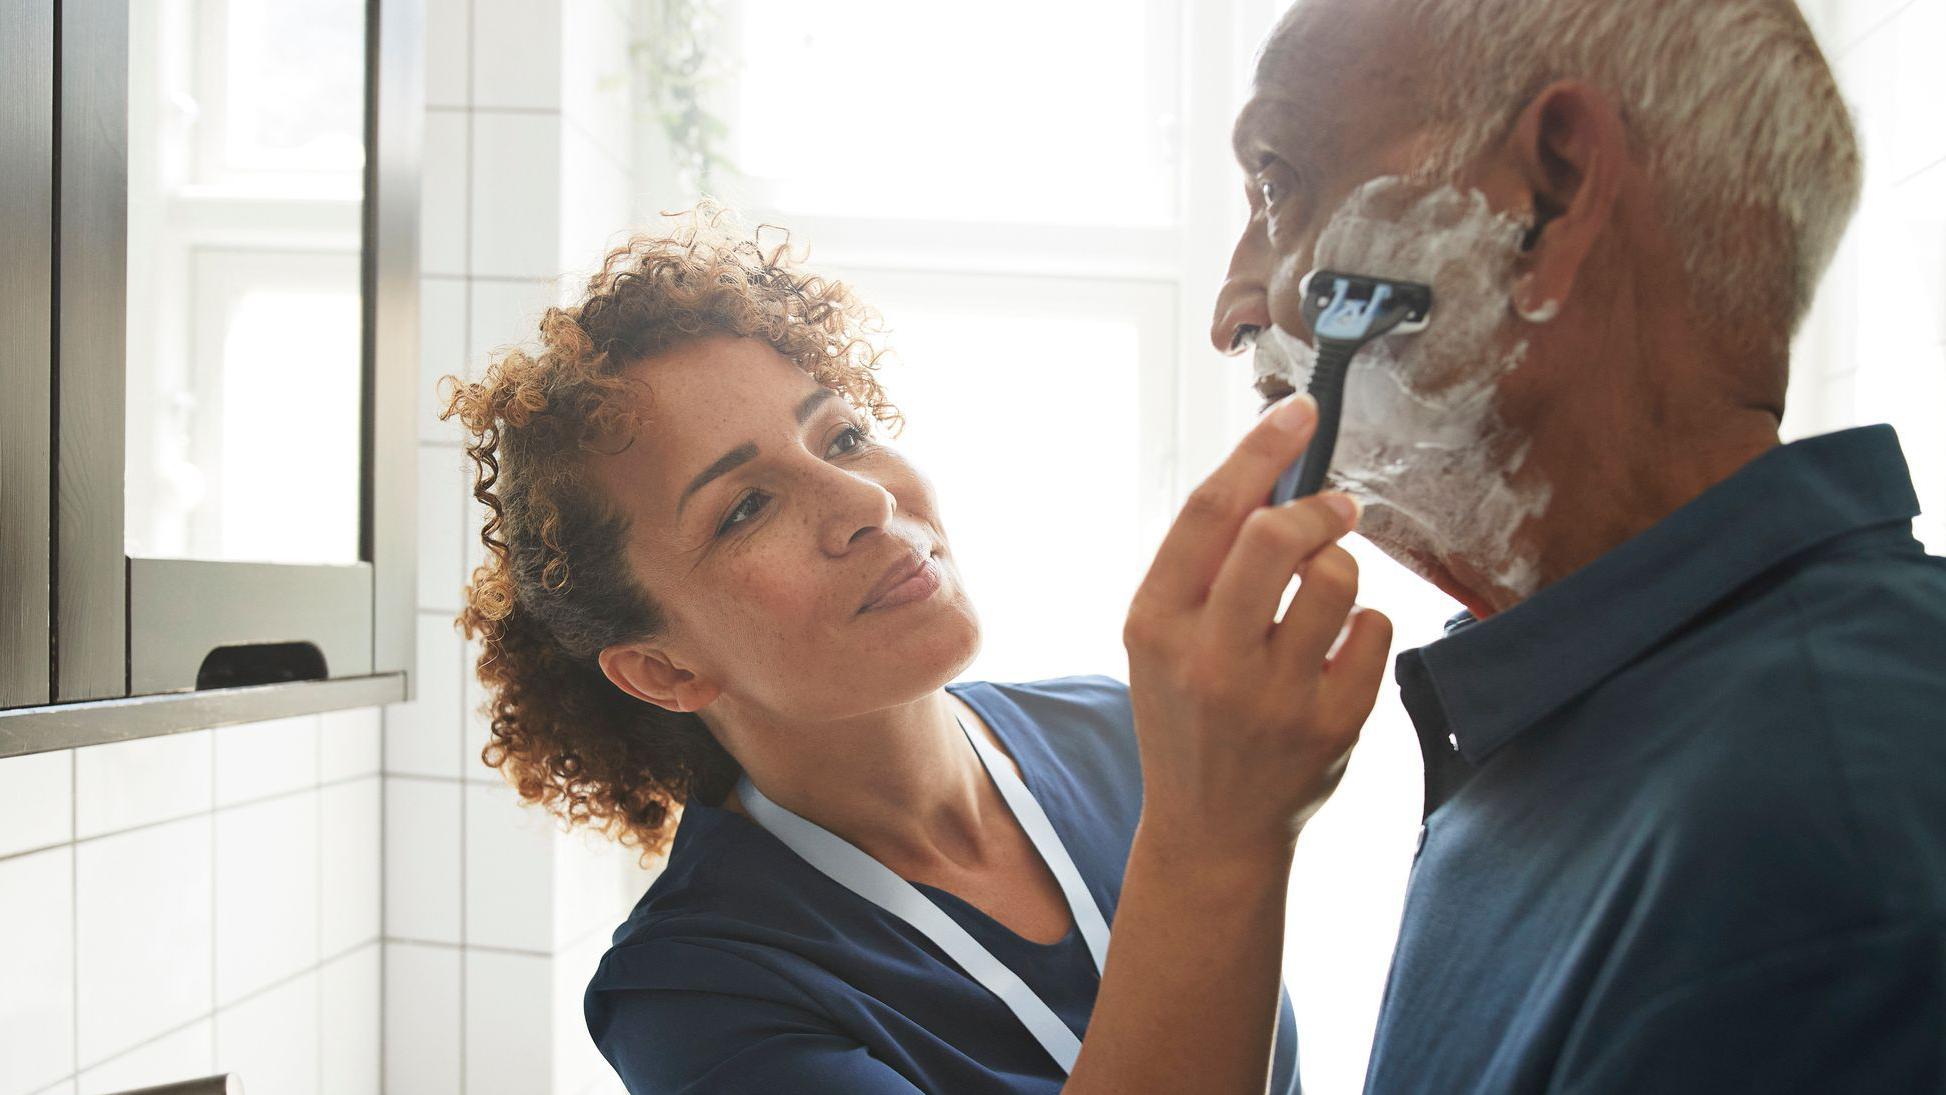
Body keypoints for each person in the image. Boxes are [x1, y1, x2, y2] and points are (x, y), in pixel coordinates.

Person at [442, 212, 1391, 1093]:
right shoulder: (691, 995)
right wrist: (1222, 835)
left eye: (844, 436)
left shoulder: (1127, 733)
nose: (866, 503)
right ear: (666, 670)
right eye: (745, 508)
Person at [1208, 0, 1946, 1089]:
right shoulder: (1580, 720)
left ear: (1548, 198)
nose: (1231, 309)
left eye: (1279, 183)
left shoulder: (1824, 851)